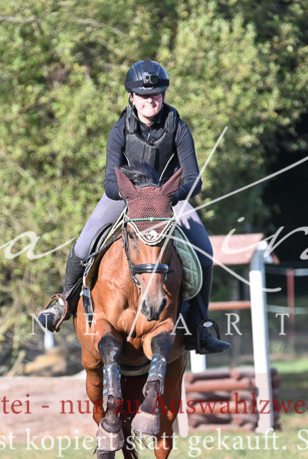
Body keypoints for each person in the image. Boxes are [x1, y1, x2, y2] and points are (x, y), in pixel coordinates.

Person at [37, 59, 230, 354]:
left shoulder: (178, 128)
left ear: (163, 96)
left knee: (204, 250)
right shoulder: (119, 131)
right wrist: (134, 196)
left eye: (155, 95)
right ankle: (64, 304)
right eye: (143, 95)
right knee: (84, 244)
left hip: (168, 200)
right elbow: (109, 183)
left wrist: (171, 196)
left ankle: (200, 325)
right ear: (132, 98)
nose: (149, 101)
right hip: (127, 198)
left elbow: (194, 180)